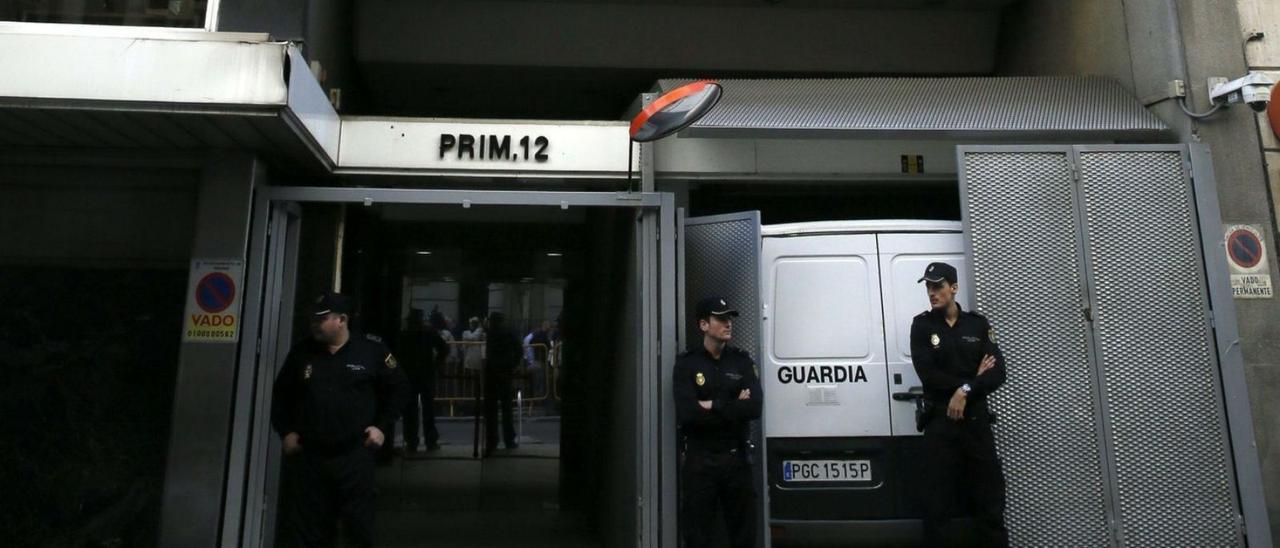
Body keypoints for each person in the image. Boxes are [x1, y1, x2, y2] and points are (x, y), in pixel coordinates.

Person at [271, 293, 410, 548]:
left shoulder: (371, 350)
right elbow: (280, 395)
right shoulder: (303, 352)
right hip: (311, 456)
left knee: (358, 529)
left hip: (354, 455)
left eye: (321, 319)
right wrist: (286, 431)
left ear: (342, 320)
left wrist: (381, 427)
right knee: (311, 532)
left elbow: (400, 389)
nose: (314, 324)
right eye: (312, 318)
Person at [909, 262, 1008, 547]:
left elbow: (998, 371)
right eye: (928, 286)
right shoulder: (922, 326)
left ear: (953, 288)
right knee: (936, 507)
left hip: (976, 425)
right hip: (941, 425)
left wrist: (965, 390)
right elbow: (928, 374)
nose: (932, 292)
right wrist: (972, 378)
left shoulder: (977, 324)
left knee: (990, 504)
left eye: (938, 286)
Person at [673, 296, 762, 548]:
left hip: (736, 462)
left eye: (729, 318)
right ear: (703, 325)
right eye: (721, 318)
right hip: (701, 463)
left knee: (743, 536)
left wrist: (713, 404)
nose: (728, 323)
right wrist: (735, 404)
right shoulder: (687, 364)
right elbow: (689, 414)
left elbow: (755, 407)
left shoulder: (741, 361)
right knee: (698, 536)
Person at [402, 309, 449, 453]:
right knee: (428, 410)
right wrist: (435, 364)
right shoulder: (428, 333)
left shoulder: (405, 334)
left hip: (409, 376)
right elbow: (444, 348)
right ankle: (430, 441)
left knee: (410, 412)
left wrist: (396, 370)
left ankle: (411, 442)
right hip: (426, 375)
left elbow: (393, 354)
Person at [483, 311, 522, 455]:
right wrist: (511, 365)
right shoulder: (508, 332)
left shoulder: (490, 333)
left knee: (491, 410)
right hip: (505, 373)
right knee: (506, 408)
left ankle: (492, 441)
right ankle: (509, 440)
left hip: (492, 374)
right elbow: (518, 350)